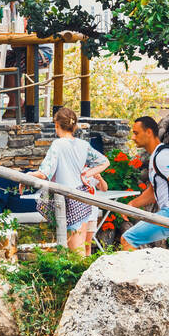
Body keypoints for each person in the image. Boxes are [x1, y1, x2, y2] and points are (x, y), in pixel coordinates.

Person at [25, 106, 109, 255]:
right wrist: (87, 174)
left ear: (57, 125)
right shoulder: (84, 145)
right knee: (80, 248)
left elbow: (44, 173)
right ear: (74, 125)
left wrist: (28, 176)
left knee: (75, 253)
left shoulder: (58, 144)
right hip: (83, 198)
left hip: (68, 198)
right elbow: (105, 162)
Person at [120, 115, 169, 256]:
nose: (132, 137)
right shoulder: (157, 156)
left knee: (128, 239)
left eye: (136, 133)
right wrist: (131, 205)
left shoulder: (163, 156)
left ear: (149, 132)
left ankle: (138, 277)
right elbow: (153, 192)